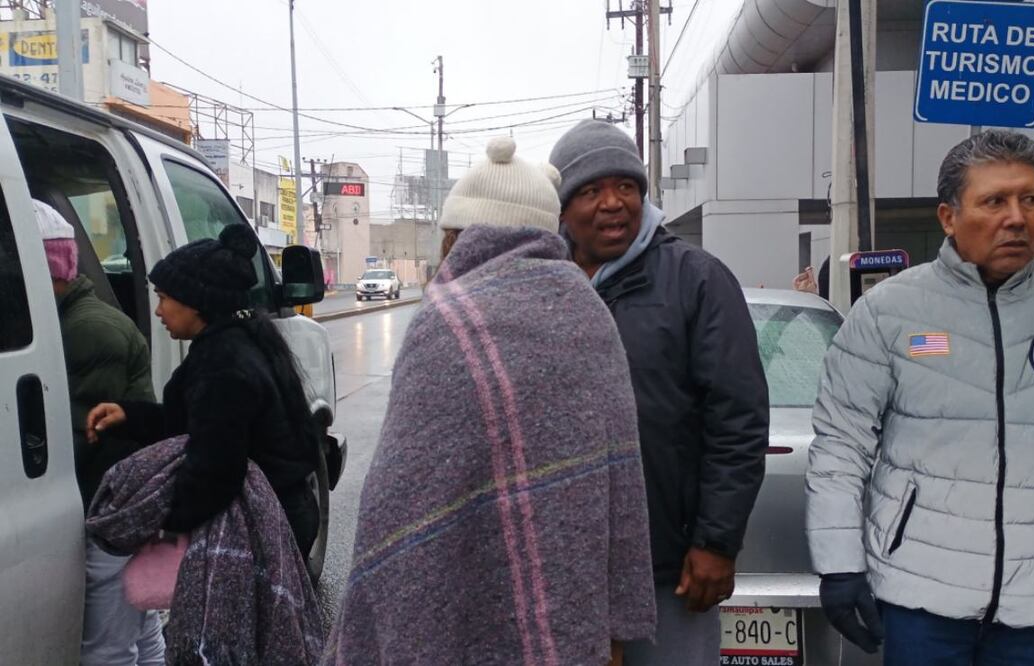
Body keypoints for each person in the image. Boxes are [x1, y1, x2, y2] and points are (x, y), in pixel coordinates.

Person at [323, 137, 656, 666]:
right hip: (572, 606)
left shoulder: (446, 319)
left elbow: (399, 501)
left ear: (463, 233)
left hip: (456, 607)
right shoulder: (589, 314)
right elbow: (620, 484)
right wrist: (614, 627)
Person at [805, 129, 1034, 665]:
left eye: (1030, 199)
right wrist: (840, 566)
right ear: (949, 217)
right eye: (994, 201)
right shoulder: (889, 312)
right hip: (920, 600)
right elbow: (841, 447)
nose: (1017, 217)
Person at [549, 119, 770, 664]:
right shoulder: (543, 285)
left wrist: (716, 542)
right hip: (560, 571)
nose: (611, 203)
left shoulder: (697, 279)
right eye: (590, 190)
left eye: (625, 187)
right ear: (561, 206)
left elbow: (737, 419)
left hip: (668, 568)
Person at [85, 222, 321, 558]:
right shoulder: (242, 339)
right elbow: (199, 423)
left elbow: (215, 469)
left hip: (260, 531)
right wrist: (129, 415)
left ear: (196, 302)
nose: (158, 311)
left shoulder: (223, 364)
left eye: (164, 298)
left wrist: (162, 523)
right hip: (283, 514)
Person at [34, 200, 165, 665]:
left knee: (106, 646)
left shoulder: (86, 329)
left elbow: (82, 432)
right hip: (123, 502)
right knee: (139, 628)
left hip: (110, 505)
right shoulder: (75, 320)